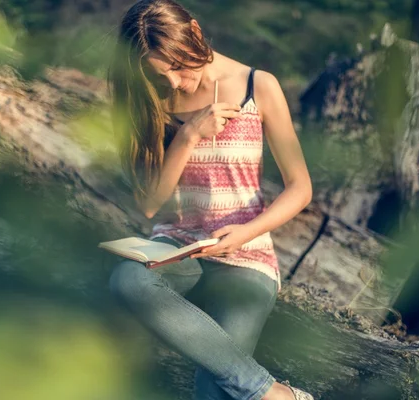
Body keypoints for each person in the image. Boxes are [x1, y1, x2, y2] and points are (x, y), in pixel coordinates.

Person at [107, 1, 314, 399]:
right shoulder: (151, 101)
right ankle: (273, 393)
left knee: (212, 389)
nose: (175, 82)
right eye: (160, 72)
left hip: (245, 257)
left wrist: (246, 233)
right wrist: (188, 136)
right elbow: (149, 205)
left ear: (195, 34)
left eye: (179, 65)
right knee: (128, 279)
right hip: (177, 249)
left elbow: (300, 187)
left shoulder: (259, 86)